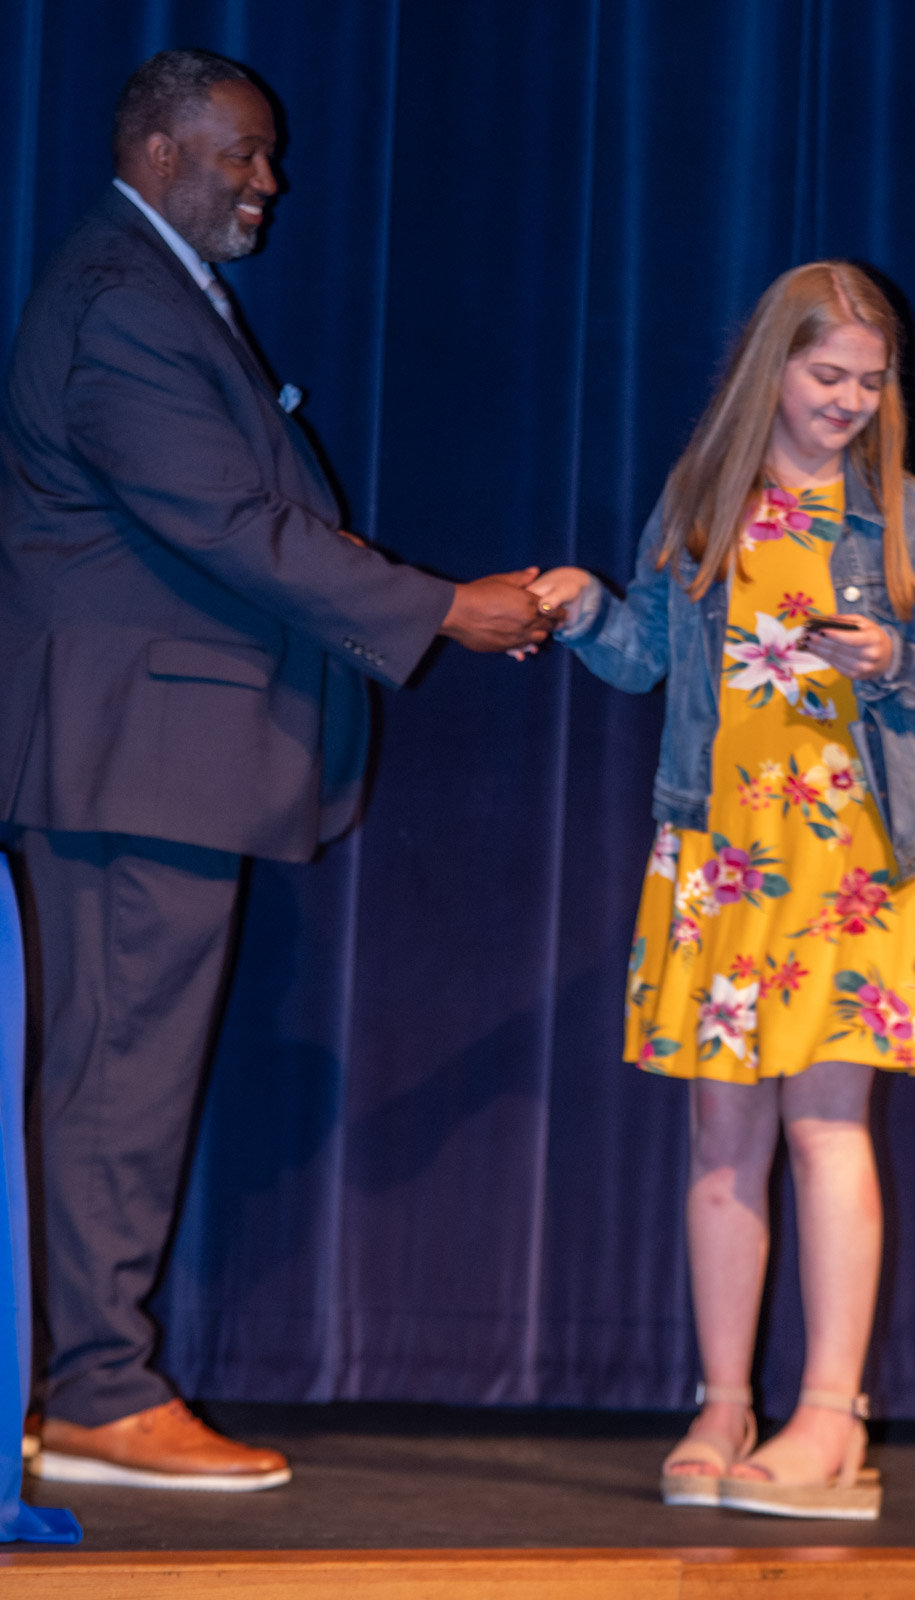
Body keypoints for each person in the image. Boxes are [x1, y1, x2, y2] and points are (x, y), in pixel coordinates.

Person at [0, 48, 559, 1492]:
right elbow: (228, 526)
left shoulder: (145, 285)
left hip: (145, 758)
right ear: (160, 151)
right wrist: (443, 606)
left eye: (268, 154)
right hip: (132, 760)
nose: (271, 181)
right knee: (118, 1082)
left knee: (118, 1073)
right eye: (243, 153)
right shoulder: (123, 300)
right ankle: (99, 1392)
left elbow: (227, 513)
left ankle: (84, 1382)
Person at [526, 262, 915, 1519]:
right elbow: (644, 658)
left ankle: (830, 1417)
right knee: (722, 1137)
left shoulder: (906, 516)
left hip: (852, 858)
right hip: (722, 851)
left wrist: (894, 657)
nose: (849, 401)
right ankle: (723, 1401)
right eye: (827, 374)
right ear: (770, 369)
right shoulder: (702, 500)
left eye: (871, 383)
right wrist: (584, 608)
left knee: (828, 1126)